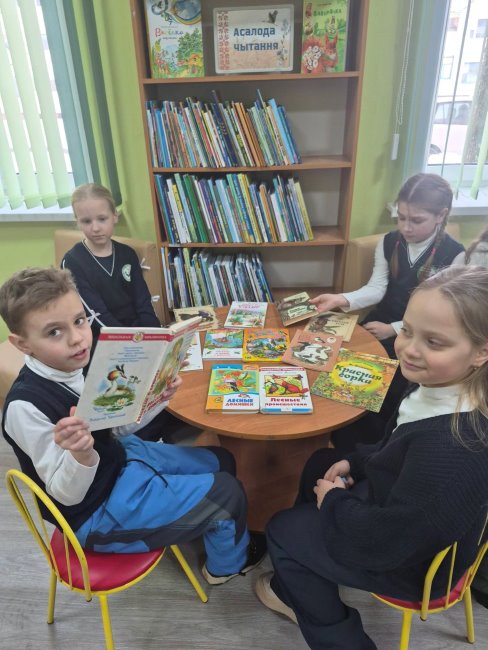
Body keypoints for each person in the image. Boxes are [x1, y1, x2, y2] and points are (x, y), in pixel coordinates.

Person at [255, 266, 488, 650]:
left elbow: (390, 540)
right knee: (321, 462)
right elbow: (395, 444)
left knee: (281, 529)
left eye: (434, 342)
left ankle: (338, 634)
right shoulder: (434, 385)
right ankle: (302, 572)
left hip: (412, 562)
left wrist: (335, 503)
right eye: (407, 330)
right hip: (402, 511)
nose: (409, 349)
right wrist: (357, 463)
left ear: (481, 352)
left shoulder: (453, 447)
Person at [0, 267, 266, 584]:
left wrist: (159, 397)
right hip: (94, 513)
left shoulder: (77, 362)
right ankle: (225, 567)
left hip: (119, 461)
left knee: (221, 461)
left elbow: (115, 428)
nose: (77, 338)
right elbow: (66, 495)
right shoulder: (25, 408)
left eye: (79, 320)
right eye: (54, 332)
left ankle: (205, 521)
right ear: (22, 344)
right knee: (228, 494)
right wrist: (81, 455)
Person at [310, 173, 464, 359]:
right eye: (401, 218)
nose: (406, 227)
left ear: (441, 215)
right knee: (330, 357)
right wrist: (340, 299)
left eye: (416, 220)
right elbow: (376, 288)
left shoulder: (455, 254)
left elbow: (441, 314)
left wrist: (393, 329)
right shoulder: (388, 242)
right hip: (380, 321)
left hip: (419, 333)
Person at [61, 183, 160, 337]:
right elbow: (94, 314)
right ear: (77, 222)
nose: (95, 228)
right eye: (86, 221)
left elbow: (143, 302)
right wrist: (130, 340)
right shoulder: (72, 261)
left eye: (102, 219)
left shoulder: (128, 254)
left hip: (137, 334)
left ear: (114, 216)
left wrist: (155, 335)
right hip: (102, 337)